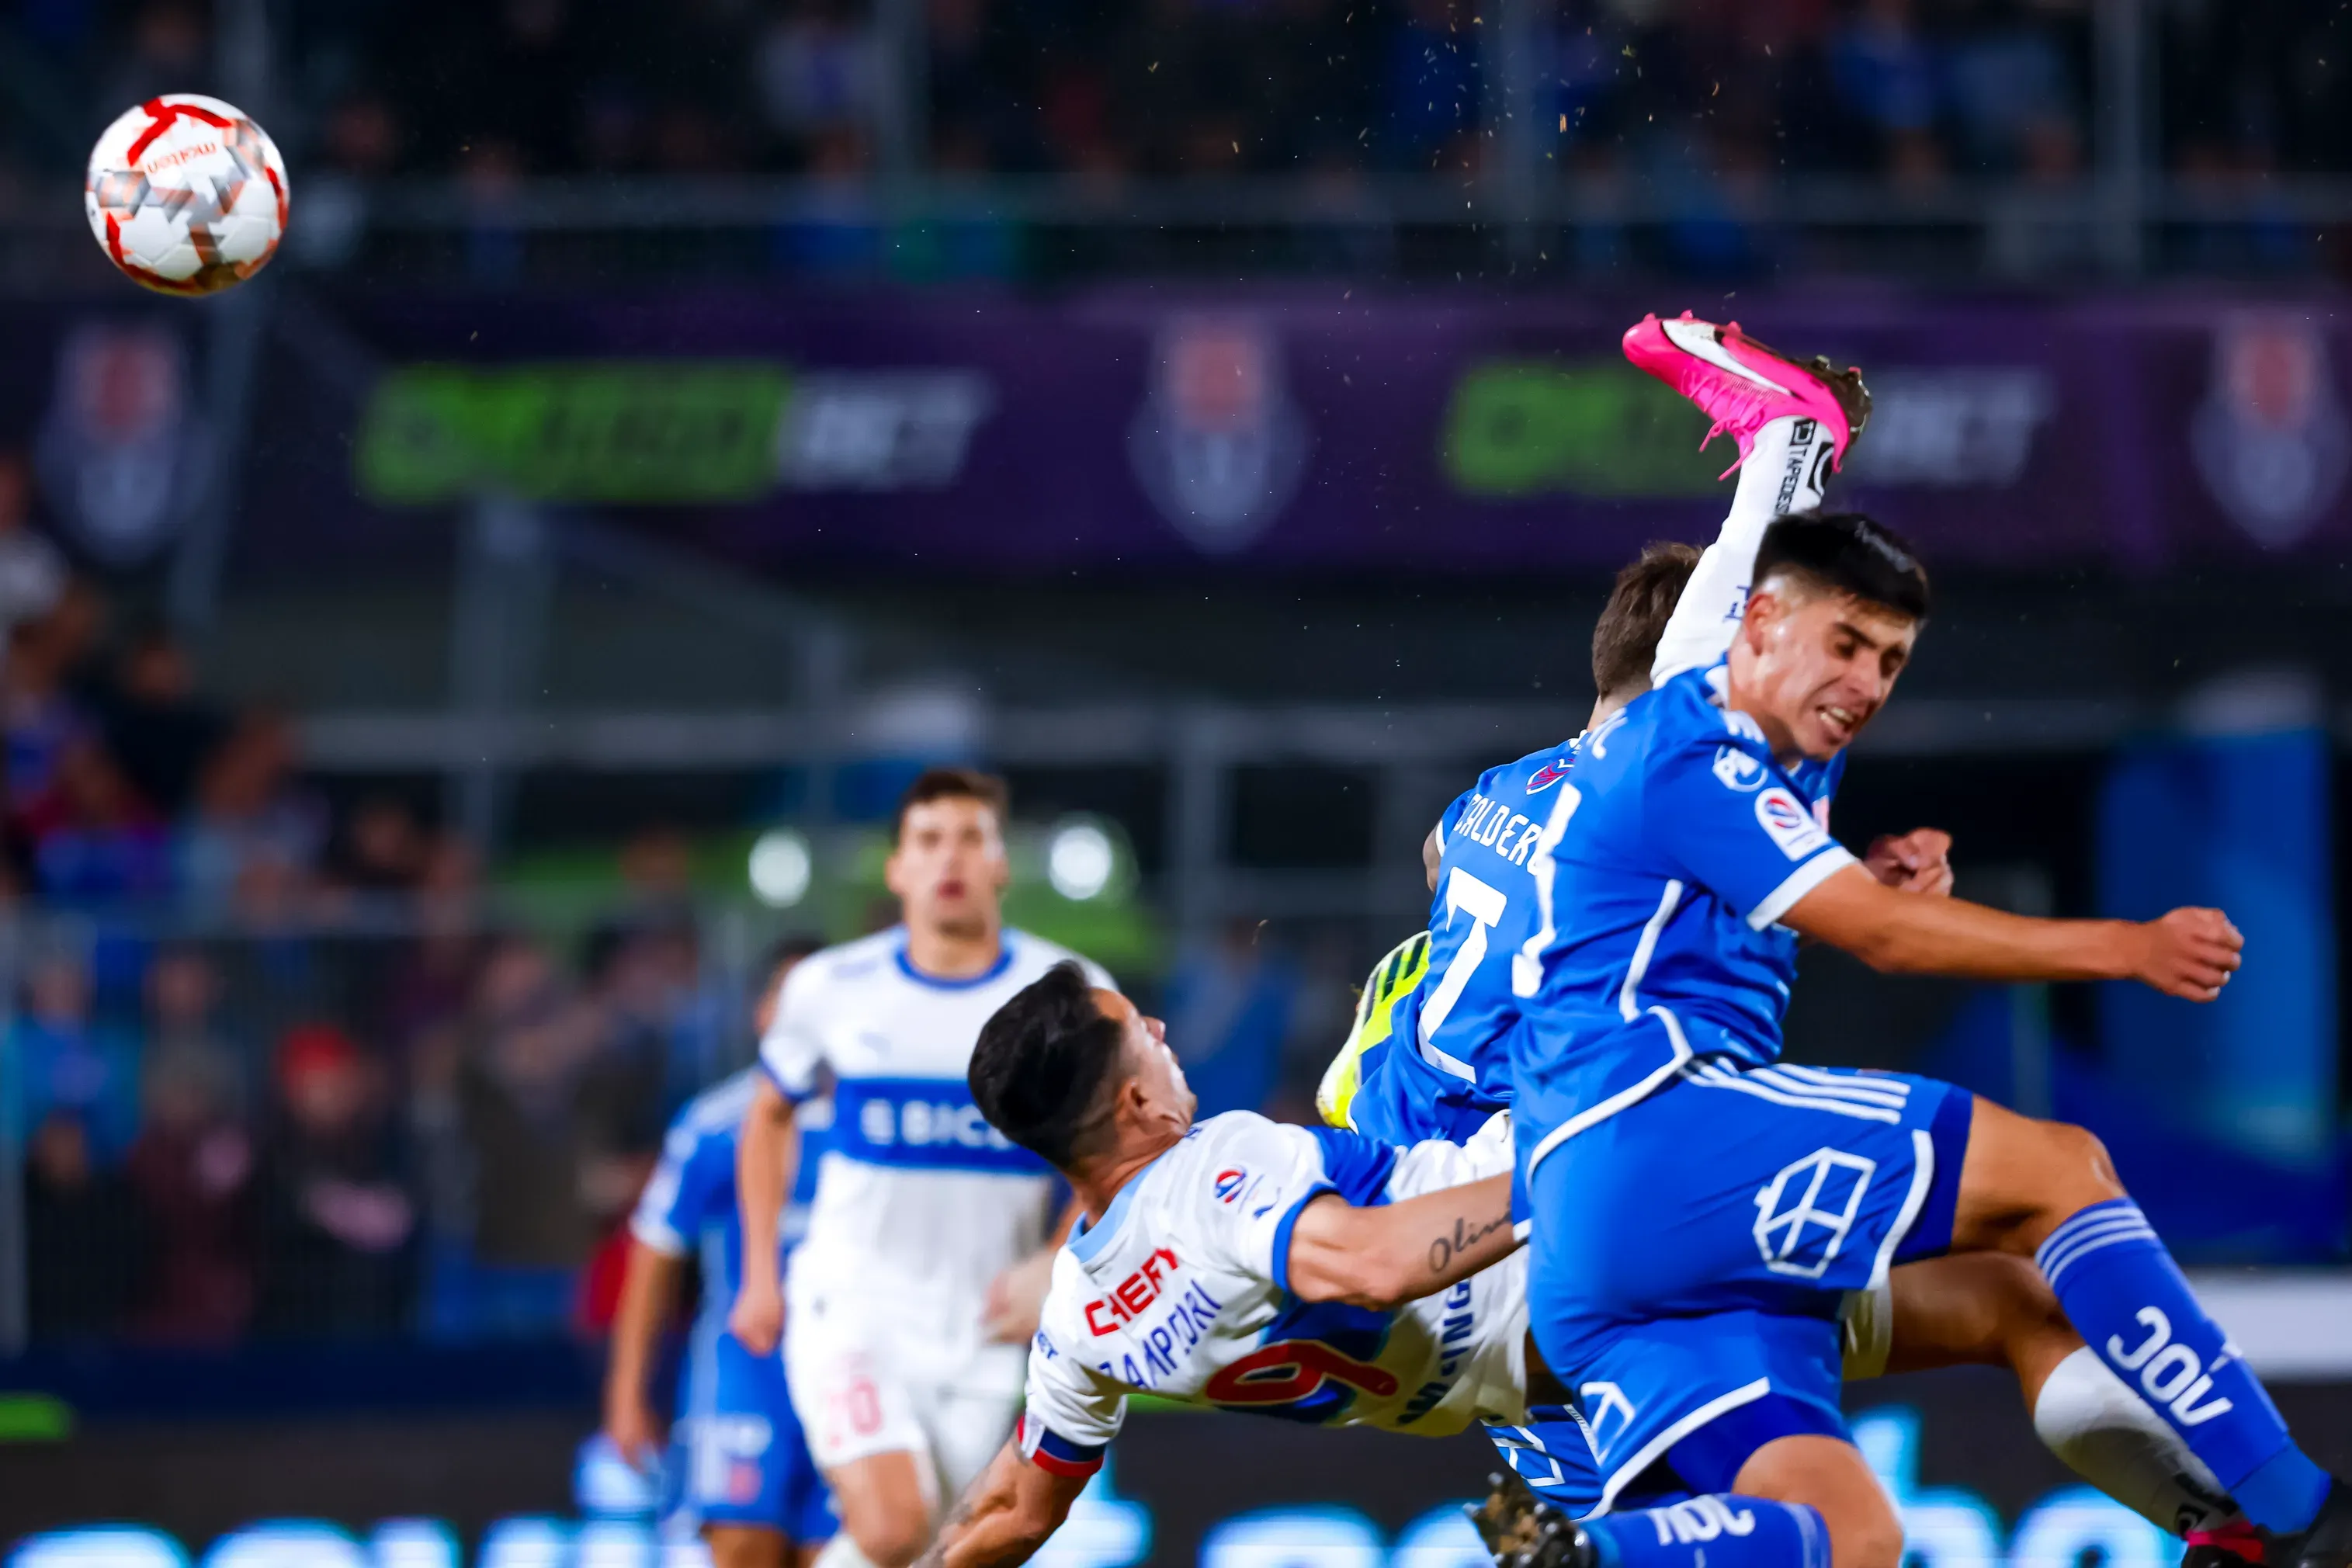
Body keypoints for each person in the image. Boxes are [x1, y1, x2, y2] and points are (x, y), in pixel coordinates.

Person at [1319, 390, 2244, 1545]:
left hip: (1454, 1219)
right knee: (1928, 1385)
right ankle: (2238, 1518)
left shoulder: (1494, 800)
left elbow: (1484, 868)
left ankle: (2232, 1530)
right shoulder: (1676, 777)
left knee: (1986, 1320)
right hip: (1569, 1219)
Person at [1513, 315, 2346, 1568]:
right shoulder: (1688, 739)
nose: (1864, 682)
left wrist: (1856, 876)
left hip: (1596, 1247)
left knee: (1850, 1532)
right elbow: (1886, 939)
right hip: (1653, 1133)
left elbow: (1721, 891)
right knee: (2059, 1169)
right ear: (1754, 626)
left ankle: (1581, 1557)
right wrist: (2117, 950)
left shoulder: (1724, 760)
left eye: (1890, 662)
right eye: (1845, 647)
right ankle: (2299, 1514)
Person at [917, 963, 1830, 1568]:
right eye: (1138, 1029)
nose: (1159, 1024)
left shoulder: (1078, 1323)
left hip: (1533, 1398)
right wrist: (1571, 1165)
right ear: (1135, 1101)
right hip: (1599, 1255)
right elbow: (1374, 1265)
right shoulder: (1212, 1170)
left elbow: (1016, 1510)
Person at [733, 768, 1112, 1568]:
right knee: (894, 1527)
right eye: (930, 840)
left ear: (1002, 863)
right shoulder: (830, 987)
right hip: (853, 1307)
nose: (951, 859)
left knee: (929, 1553)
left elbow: (1118, 1153)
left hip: (984, 1325)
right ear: (897, 868)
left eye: (971, 839)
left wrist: (1054, 1260)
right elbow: (766, 1117)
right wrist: (760, 1275)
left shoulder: (1068, 998)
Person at [605, 938, 834, 1568]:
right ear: (763, 1014)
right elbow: (654, 1256)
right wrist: (627, 1393)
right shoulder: (714, 1125)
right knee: (741, 1546)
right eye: (792, 1000)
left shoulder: (874, 1128)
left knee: (841, 1555)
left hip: (849, 1370)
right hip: (746, 1372)